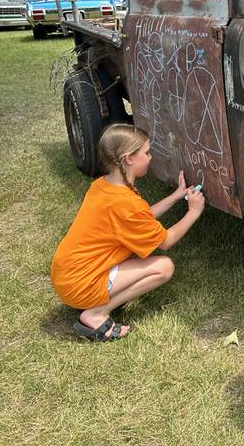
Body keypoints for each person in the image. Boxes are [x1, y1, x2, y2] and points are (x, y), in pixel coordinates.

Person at [50, 124, 205, 341]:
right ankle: (96, 313)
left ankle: (96, 300)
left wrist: (176, 196)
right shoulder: (127, 204)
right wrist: (194, 212)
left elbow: (141, 218)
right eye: (147, 152)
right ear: (128, 159)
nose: (150, 157)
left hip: (67, 275)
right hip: (80, 284)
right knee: (163, 267)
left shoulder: (102, 186)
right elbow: (166, 241)